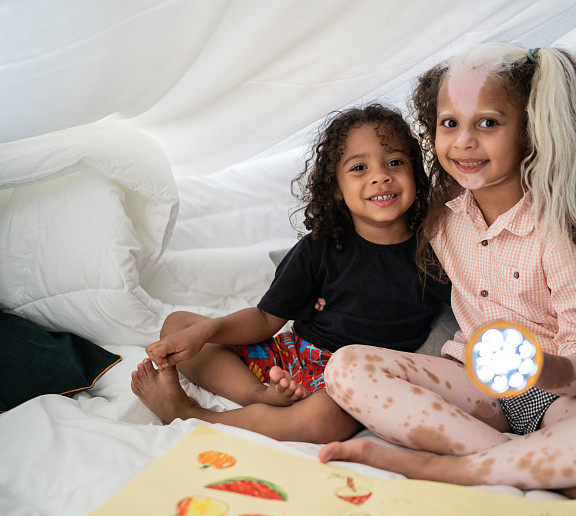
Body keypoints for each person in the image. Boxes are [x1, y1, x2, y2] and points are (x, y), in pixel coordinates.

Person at [318, 45, 576, 516]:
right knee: (346, 367)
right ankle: (543, 469)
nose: (463, 142)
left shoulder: (563, 230)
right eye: (449, 123)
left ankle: (452, 469)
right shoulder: (442, 218)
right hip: (482, 392)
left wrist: (535, 368)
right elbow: (376, 235)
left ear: (530, 129)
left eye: (488, 123)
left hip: (565, 395)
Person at [131, 104, 448, 444]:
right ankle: (259, 396)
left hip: (356, 380)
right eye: (359, 167)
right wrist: (206, 331)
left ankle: (194, 415)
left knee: (325, 420)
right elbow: (266, 318)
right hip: (292, 356)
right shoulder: (321, 248)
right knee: (178, 324)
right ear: (337, 189)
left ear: (417, 173)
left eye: (395, 162)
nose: (380, 175)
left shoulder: (439, 250)